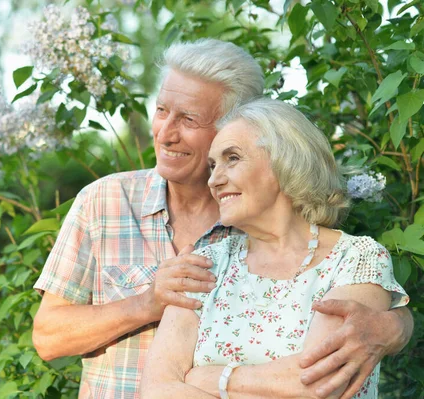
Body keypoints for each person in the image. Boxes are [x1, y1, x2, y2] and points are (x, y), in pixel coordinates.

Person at [32, 39, 413, 399]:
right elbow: (49, 338)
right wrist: (147, 303)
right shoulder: (104, 201)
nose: (165, 134)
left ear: (237, 125)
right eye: (162, 110)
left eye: (189, 119)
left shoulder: (257, 224)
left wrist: (396, 324)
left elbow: (317, 373)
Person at [139, 98, 409, 398]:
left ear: (285, 162)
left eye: (232, 158)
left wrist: (213, 380)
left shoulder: (355, 259)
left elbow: (316, 385)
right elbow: (157, 389)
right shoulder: (203, 264)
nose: (214, 180)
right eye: (213, 166)